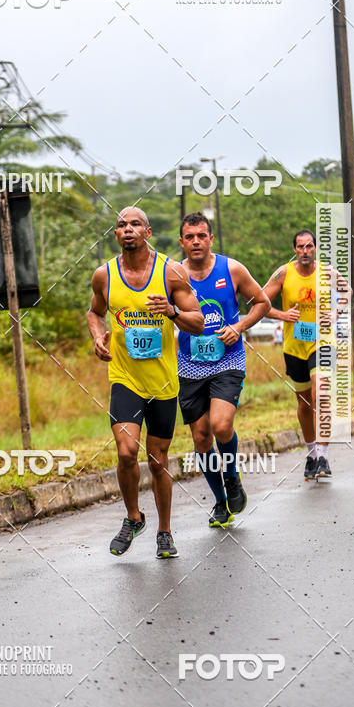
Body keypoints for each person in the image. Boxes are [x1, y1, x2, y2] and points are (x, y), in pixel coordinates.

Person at [87, 206, 204, 558]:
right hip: (125, 377)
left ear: (148, 232)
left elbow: (197, 322)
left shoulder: (171, 272)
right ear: (116, 234)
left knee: (157, 460)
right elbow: (95, 312)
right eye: (121, 225)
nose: (127, 229)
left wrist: (173, 312)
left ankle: (164, 531)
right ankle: (133, 517)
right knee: (126, 452)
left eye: (135, 224)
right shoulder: (104, 275)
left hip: (164, 382)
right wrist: (97, 336)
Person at [177, 213, 271, 527]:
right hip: (189, 365)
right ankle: (221, 501)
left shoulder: (231, 269)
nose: (196, 242)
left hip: (227, 361)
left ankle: (231, 478)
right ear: (181, 242)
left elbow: (263, 302)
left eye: (201, 235)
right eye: (189, 237)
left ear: (211, 239)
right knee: (201, 438)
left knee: (220, 425)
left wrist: (239, 325)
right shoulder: (173, 274)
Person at [264, 230, 338, 481]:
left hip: (322, 343)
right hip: (294, 346)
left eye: (309, 246)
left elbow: (346, 292)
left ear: (315, 248)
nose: (305, 250)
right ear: (294, 249)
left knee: (321, 394)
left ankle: (324, 454)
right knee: (305, 403)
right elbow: (260, 301)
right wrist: (282, 315)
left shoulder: (327, 272)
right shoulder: (284, 273)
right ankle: (311, 453)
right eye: (300, 246)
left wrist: (336, 313)